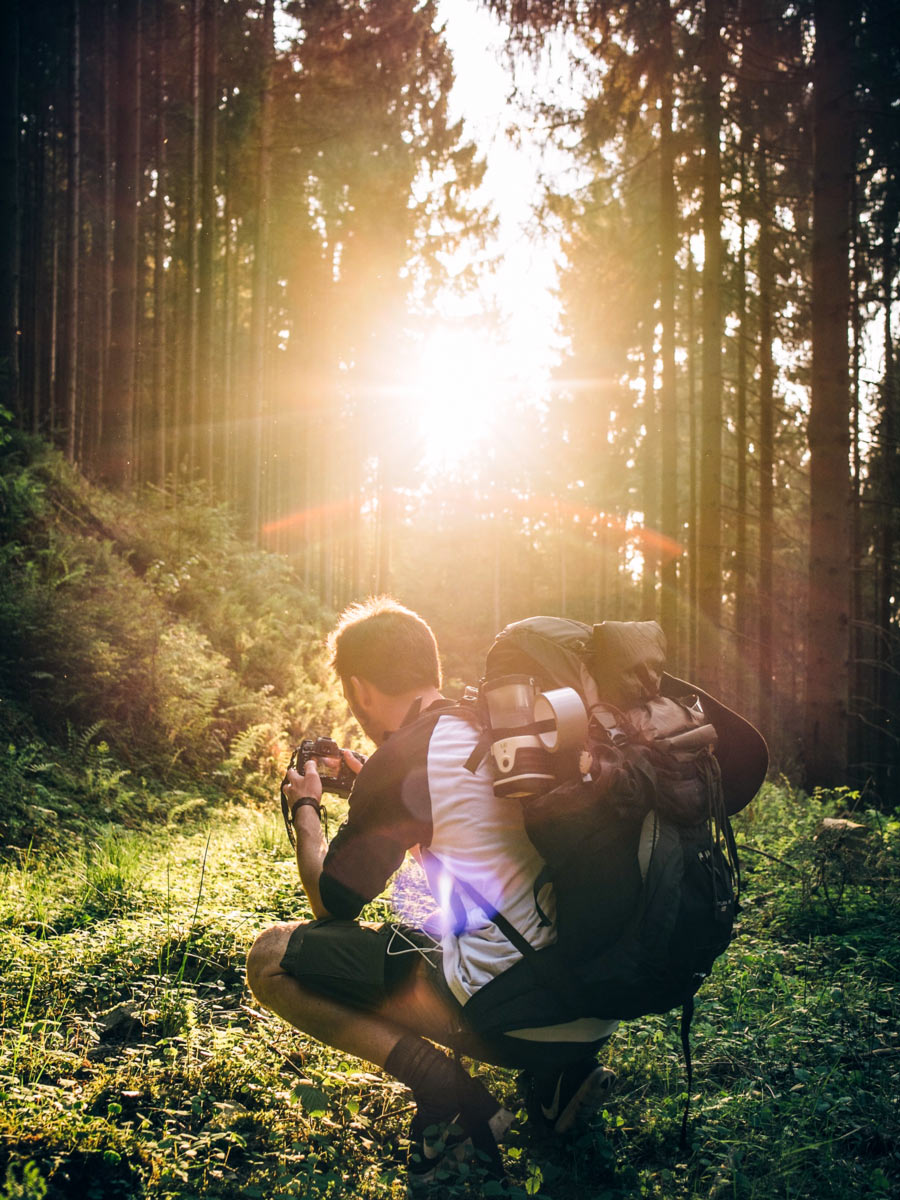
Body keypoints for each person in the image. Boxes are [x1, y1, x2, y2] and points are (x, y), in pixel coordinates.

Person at [246, 597, 616, 1189]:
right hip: (597, 1000)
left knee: (270, 959)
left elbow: (330, 903)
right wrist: (372, 779)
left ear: (360, 689)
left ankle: (449, 1095)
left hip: (514, 1015)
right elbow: (451, 805)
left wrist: (307, 809)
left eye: (350, 696)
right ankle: (561, 1084)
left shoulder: (403, 758)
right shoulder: (498, 727)